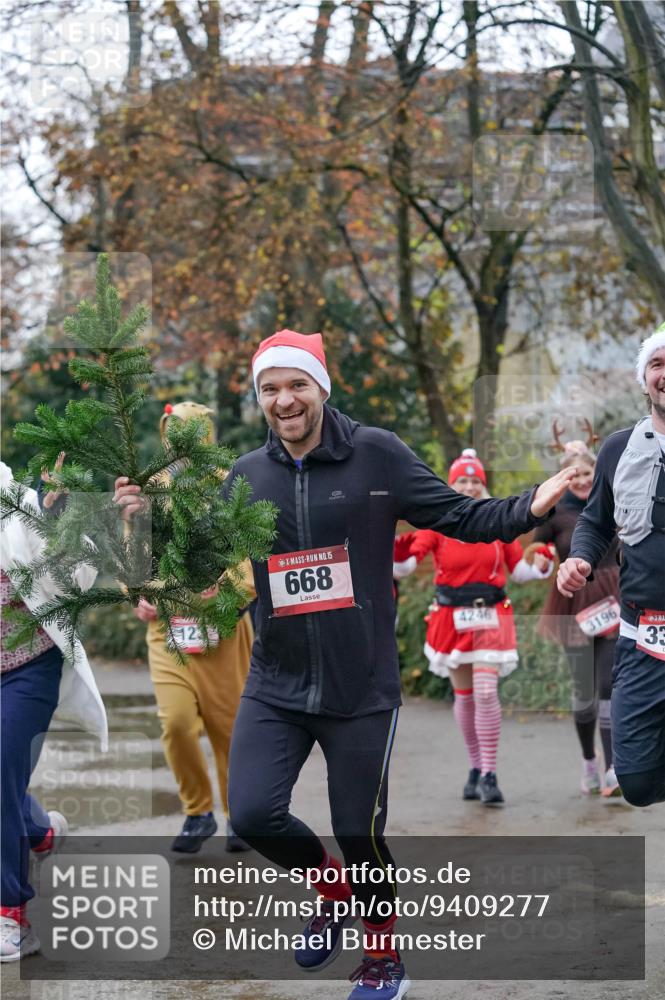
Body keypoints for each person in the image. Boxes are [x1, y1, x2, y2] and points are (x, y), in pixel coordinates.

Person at [115, 330, 577, 1000]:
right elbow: (199, 566)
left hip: (360, 687)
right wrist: (141, 526)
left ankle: (384, 959)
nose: (284, 400)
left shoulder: (375, 455)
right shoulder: (248, 476)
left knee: (358, 831)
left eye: (296, 384)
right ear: (259, 399)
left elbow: (457, 515)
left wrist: (529, 505)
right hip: (275, 682)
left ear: (321, 388)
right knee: (250, 814)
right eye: (270, 388)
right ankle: (330, 888)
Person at [393, 449, 553, 806]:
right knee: (465, 698)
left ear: (483, 486)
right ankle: (475, 766)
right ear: (451, 485)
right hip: (451, 617)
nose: (469, 486)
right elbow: (405, 566)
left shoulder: (497, 523)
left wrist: (541, 565)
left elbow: (521, 571)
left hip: (491, 614)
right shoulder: (437, 523)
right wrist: (392, 552)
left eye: (475, 480)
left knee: (484, 692)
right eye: (462, 480)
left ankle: (490, 773)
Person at [132, 402, 254, 853]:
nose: (180, 446)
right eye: (173, 435)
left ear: (205, 437)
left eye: (190, 436)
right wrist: (139, 592)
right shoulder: (151, 491)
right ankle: (197, 811)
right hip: (168, 632)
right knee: (177, 723)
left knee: (228, 728)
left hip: (223, 631)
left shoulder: (229, 488)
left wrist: (226, 592)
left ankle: (237, 814)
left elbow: (250, 554)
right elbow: (134, 555)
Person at [0, 461, 107, 962]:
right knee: (3, 780)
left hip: (27, 666)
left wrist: (55, 513)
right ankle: (40, 831)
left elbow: (79, 579)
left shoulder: (20, 504)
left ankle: (11, 915)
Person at [558, 326, 665, 808]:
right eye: (658, 364)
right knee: (638, 782)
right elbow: (596, 522)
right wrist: (579, 557)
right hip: (642, 636)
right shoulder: (619, 449)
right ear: (644, 379)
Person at [534, 437, 621, 797]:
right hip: (572, 603)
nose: (584, 481)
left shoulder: (613, 503)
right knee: (585, 691)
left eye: (588, 473)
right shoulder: (556, 512)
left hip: (613, 599)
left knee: (606, 686)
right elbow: (537, 549)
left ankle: (612, 768)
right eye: (576, 475)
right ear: (566, 477)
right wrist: (538, 561)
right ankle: (588, 759)